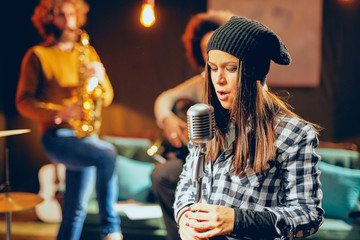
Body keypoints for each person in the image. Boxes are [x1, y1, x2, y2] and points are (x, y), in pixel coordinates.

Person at [174, 16, 324, 240]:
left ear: (253, 72)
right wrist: (185, 218)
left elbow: (307, 214)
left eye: (231, 69)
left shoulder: (294, 133)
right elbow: (187, 185)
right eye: (213, 68)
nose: (219, 79)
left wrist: (236, 220)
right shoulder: (207, 123)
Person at [15, 0, 122, 239]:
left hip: (85, 135)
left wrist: (102, 77)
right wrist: (58, 112)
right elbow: (23, 101)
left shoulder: (87, 52)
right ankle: (111, 229)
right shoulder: (38, 55)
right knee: (107, 153)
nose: (68, 20)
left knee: (75, 209)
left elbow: (106, 97)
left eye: (72, 14)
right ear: (49, 18)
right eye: (61, 15)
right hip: (57, 137)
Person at [151, 10, 233, 240]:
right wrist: (167, 118)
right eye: (206, 53)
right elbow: (164, 99)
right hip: (202, 157)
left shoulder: (244, 81)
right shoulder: (200, 82)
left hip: (233, 161)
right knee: (163, 175)